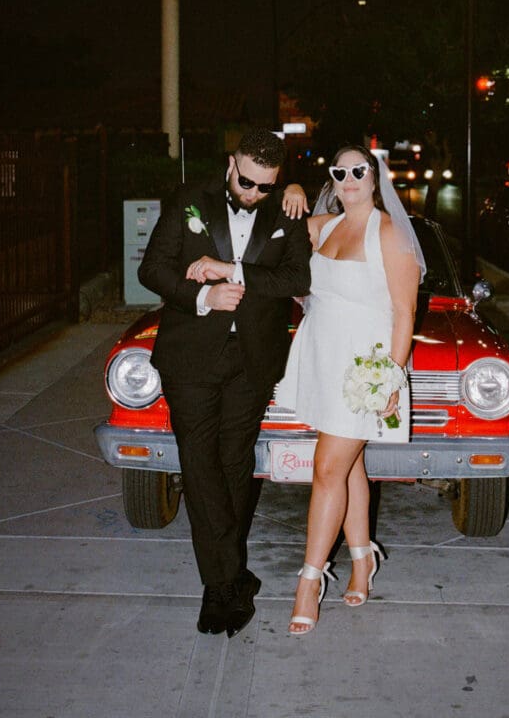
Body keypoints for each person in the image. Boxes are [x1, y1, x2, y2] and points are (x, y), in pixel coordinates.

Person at [138, 129, 311, 638]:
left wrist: (232, 272)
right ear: (231, 162)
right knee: (198, 461)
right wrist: (202, 298)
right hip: (190, 354)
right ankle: (221, 585)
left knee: (236, 461)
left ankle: (228, 577)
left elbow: (296, 280)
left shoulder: (286, 209)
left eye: (266, 186)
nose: (254, 194)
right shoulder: (191, 199)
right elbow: (154, 269)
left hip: (254, 359)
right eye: (247, 182)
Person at [276, 144, 425, 635]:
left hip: (364, 369)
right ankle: (362, 559)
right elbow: (273, 233)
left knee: (326, 467)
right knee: (348, 465)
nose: (349, 178)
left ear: (375, 174)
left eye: (359, 170)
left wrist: (391, 377)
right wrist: (291, 188)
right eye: (340, 172)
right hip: (323, 357)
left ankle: (309, 579)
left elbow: (405, 313)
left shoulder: (390, 233)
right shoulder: (325, 226)